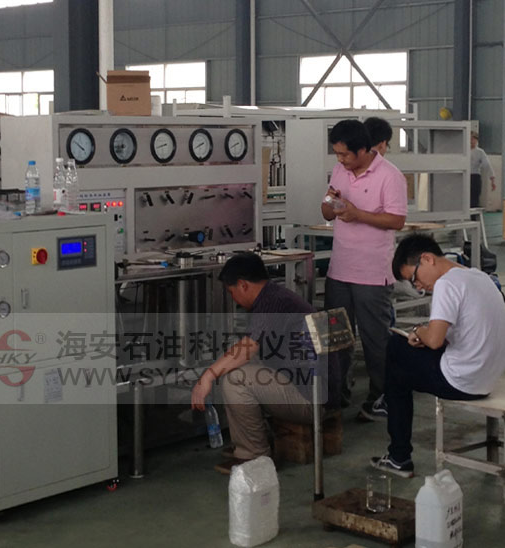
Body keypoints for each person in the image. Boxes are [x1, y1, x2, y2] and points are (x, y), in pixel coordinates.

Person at [190, 252, 339, 474]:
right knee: (235, 366)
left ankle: (254, 457)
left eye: (231, 292)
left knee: (235, 379)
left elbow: (248, 348)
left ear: (243, 285)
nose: (233, 298)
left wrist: (207, 376)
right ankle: (252, 441)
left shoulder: (271, 303)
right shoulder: (275, 295)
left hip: (313, 398)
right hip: (316, 387)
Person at [371, 234, 505, 477]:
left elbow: (434, 340)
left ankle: (399, 455)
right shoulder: (478, 276)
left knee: (396, 350)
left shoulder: (446, 284)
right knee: (407, 355)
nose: (418, 287)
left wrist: (418, 331)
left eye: (414, 278)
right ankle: (389, 401)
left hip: (462, 381)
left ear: (427, 259)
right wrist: (425, 334)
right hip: (489, 377)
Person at [322, 119, 407, 421]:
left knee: (375, 341)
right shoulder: (339, 170)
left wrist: (358, 214)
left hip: (372, 272)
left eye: (345, 154)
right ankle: (336, 395)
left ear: (363, 150)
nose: (340, 159)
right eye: (337, 154)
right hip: (339, 269)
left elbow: (396, 220)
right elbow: (326, 209)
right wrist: (332, 205)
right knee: (336, 338)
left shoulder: (390, 176)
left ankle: (381, 398)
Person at [470, 131, 495, 208]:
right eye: (470, 139)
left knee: (474, 199)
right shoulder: (463, 151)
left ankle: (474, 214)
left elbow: (487, 165)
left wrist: (492, 179)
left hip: (475, 177)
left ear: (476, 140)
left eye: (473, 139)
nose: (471, 141)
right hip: (463, 177)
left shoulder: (480, 152)